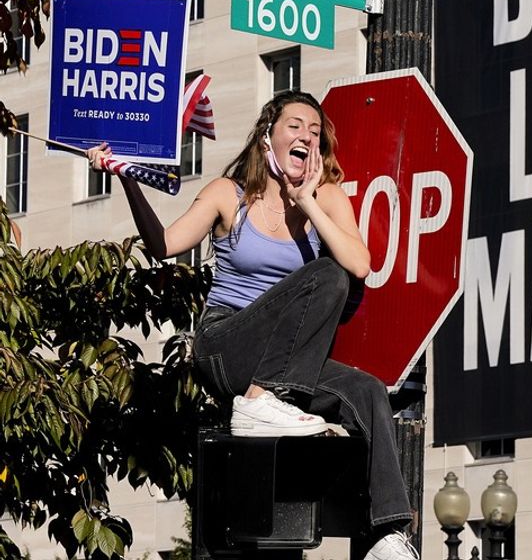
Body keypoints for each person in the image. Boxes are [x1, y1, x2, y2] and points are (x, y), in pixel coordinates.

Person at [88, 90, 419, 560]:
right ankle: (260, 401)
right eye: (295, 126)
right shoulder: (230, 193)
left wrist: (308, 202)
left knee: (366, 390)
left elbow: (360, 264)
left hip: (286, 364)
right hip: (227, 347)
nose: (306, 134)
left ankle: (386, 532)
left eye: (314, 130)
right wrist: (124, 178)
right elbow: (165, 243)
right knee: (326, 275)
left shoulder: (327, 198)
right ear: (268, 137)